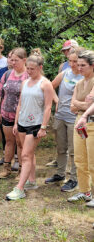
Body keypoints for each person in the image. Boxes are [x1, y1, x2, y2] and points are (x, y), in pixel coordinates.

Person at [6, 49, 54, 200]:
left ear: (40, 68)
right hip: (22, 122)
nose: (29, 71)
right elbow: (20, 104)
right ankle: (31, 181)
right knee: (28, 153)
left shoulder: (45, 84)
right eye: (28, 68)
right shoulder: (25, 82)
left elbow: (48, 107)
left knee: (25, 155)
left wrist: (44, 127)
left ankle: (19, 188)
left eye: (32, 69)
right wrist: (15, 123)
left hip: (36, 124)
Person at [45, 47, 83, 192]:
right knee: (61, 147)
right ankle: (60, 174)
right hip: (60, 116)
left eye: (75, 61)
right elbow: (49, 86)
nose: (72, 64)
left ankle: (73, 178)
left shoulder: (84, 77)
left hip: (75, 118)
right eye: (70, 61)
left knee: (74, 150)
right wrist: (56, 100)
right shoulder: (65, 73)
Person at [0, 48, 29, 179]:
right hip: (6, 114)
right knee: (9, 142)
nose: (13, 62)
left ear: (24, 60)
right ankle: (6, 168)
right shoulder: (7, 74)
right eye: (11, 59)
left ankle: (21, 170)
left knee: (21, 144)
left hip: (22, 116)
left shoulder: (28, 75)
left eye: (16, 60)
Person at [67, 50, 94, 206]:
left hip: (92, 123)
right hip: (80, 123)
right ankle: (85, 191)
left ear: (92, 65)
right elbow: (72, 106)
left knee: (92, 161)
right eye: (78, 65)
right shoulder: (79, 83)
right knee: (80, 159)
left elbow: (90, 106)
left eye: (83, 65)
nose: (79, 68)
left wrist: (80, 104)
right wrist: (83, 104)